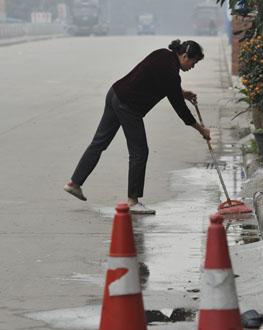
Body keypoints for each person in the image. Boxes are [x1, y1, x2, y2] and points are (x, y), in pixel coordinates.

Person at [64, 39, 210, 214]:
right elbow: (180, 108)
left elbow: (161, 82)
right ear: (185, 55)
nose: (193, 66)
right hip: (128, 106)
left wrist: (183, 93)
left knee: (99, 142)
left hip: (115, 94)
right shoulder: (171, 72)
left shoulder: (162, 54)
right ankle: (133, 201)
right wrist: (201, 129)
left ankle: (74, 183)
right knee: (139, 152)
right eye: (194, 62)